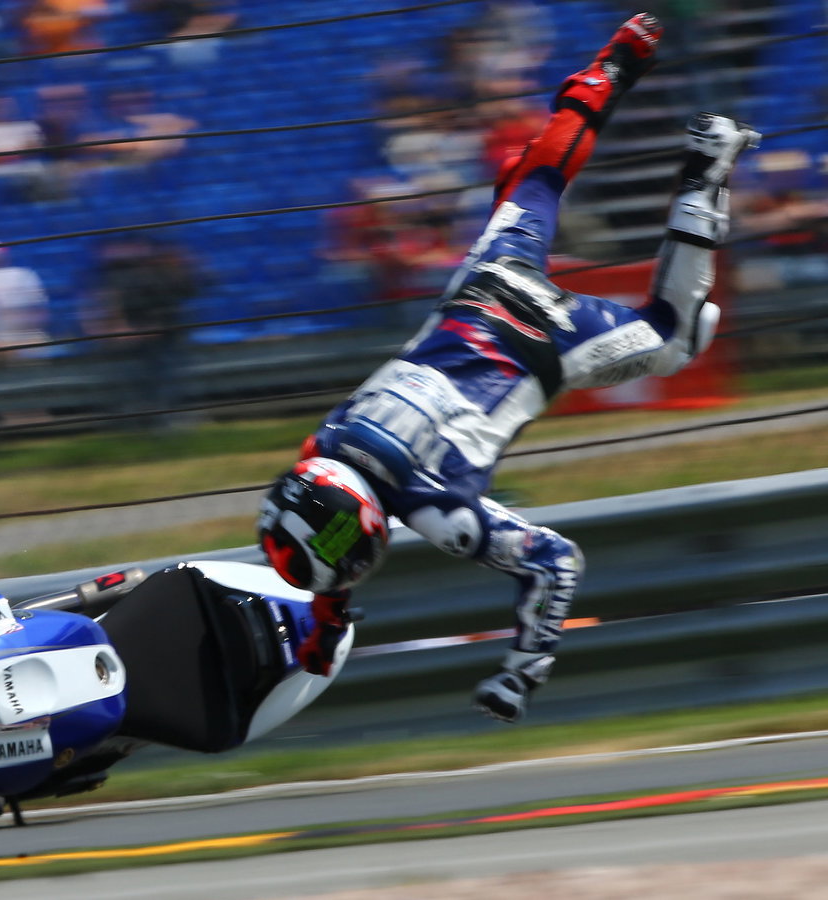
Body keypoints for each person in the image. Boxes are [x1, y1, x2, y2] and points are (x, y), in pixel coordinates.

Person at [254, 14, 760, 723]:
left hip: (551, 342)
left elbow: (557, 561)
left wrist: (522, 670)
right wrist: (325, 621)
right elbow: (326, 506)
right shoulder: (328, 442)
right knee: (533, 181)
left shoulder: (436, 509)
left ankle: (709, 169)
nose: (354, 548)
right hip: (484, 287)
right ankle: (609, 71)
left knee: (676, 334)